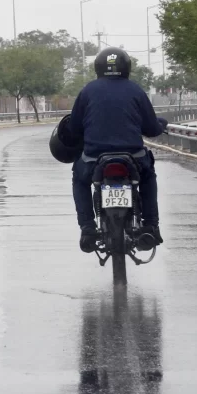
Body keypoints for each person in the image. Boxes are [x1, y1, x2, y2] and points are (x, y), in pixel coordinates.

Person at [67, 47, 166, 253]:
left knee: (79, 178)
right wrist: (162, 123)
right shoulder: (136, 90)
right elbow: (151, 128)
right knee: (148, 177)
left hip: (94, 158)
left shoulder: (87, 91)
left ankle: (87, 228)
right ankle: (150, 226)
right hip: (134, 158)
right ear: (127, 67)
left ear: (98, 68)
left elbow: (74, 127)